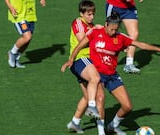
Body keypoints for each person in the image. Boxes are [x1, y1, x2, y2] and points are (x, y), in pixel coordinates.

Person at [62, 11, 160, 135]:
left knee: (127, 106)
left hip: (112, 75)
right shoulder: (95, 32)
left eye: (115, 30)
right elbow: (79, 46)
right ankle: (101, 132)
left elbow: (140, 45)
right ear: (106, 24)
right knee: (100, 98)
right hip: (97, 72)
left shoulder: (120, 38)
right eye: (111, 29)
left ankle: (112, 125)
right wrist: (71, 60)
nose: (113, 32)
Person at [61, 1, 105, 134]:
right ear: (81, 13)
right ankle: (92, 110)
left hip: (89, 62)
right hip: (81, 60)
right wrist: (96, 31)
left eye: (93, 14)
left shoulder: (91, 25)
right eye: (88, 14)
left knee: (91, 96)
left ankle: (75, 122)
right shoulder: (78, 22)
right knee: (96, 80)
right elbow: (82, 40)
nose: (91, 17)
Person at [5, 0, 46, 68]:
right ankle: (12, 52)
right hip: (18, 13)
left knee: (28, 40)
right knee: (27, 37)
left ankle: (16, 59)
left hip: (30, 13)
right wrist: (10, 7)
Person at [106, 0, 143, 74]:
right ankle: (102, 59)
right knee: (109, 32)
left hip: (129, 8)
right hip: (115, 5)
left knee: (134, 33)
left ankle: (129, 64)